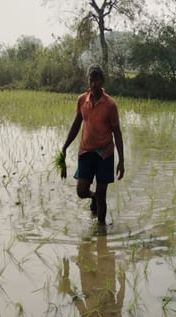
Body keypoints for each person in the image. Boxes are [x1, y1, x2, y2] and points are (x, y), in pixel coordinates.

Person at [61, 64, 125, 224]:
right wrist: (65, 146)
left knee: (102, 193)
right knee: (81, 191)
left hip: (105, 153)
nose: (93, 84)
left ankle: (101, 231)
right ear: (88, 81)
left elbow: (117, 132)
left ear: (102, 82)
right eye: (91, 80)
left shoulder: (110, 105)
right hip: (86, 152)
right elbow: (77, 124)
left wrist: (121, 160)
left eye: (96, 81)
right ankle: (93, 197)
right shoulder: (82, 100)